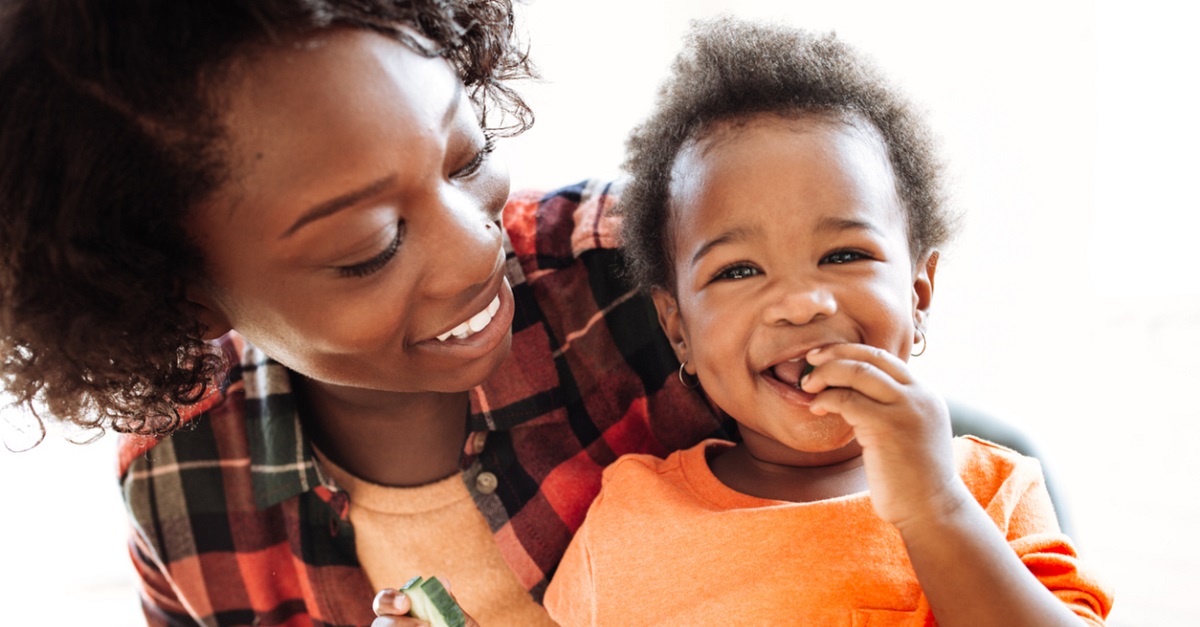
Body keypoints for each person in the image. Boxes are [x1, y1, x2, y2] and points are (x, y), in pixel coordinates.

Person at [0, 1, 727, 625]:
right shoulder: (177, 484)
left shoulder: (669, 278)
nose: (476, 249)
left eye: (467, 158)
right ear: (175, 295)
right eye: (370, 247)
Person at [541, 18, 1113, 626]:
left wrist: (934, 506)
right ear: (678, 327)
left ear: (918, 296)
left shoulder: (991, 489)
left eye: (844, 255)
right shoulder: (631, 512)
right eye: (738, 270)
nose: (801, 303)